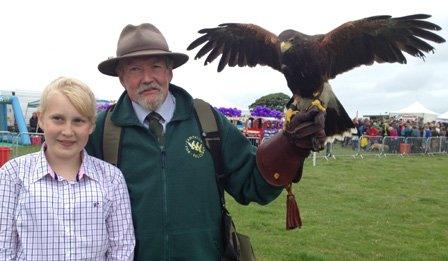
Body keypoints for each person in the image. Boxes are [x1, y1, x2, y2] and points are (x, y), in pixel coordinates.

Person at [86, 23, 325, 260]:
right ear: (121, 77)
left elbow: (252, 183)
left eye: (156, 66)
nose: (147, 78)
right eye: (135, 69)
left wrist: (289, 147)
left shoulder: (206, 120)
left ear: (170, 71)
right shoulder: (102, 132)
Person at [0, 77, 135, 260]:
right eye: (58, 119)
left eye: (78, 121)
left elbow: (122, 247)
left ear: (92, 125)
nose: (67, 131)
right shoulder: (13, 174)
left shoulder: (111, 178)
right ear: (41, 119)